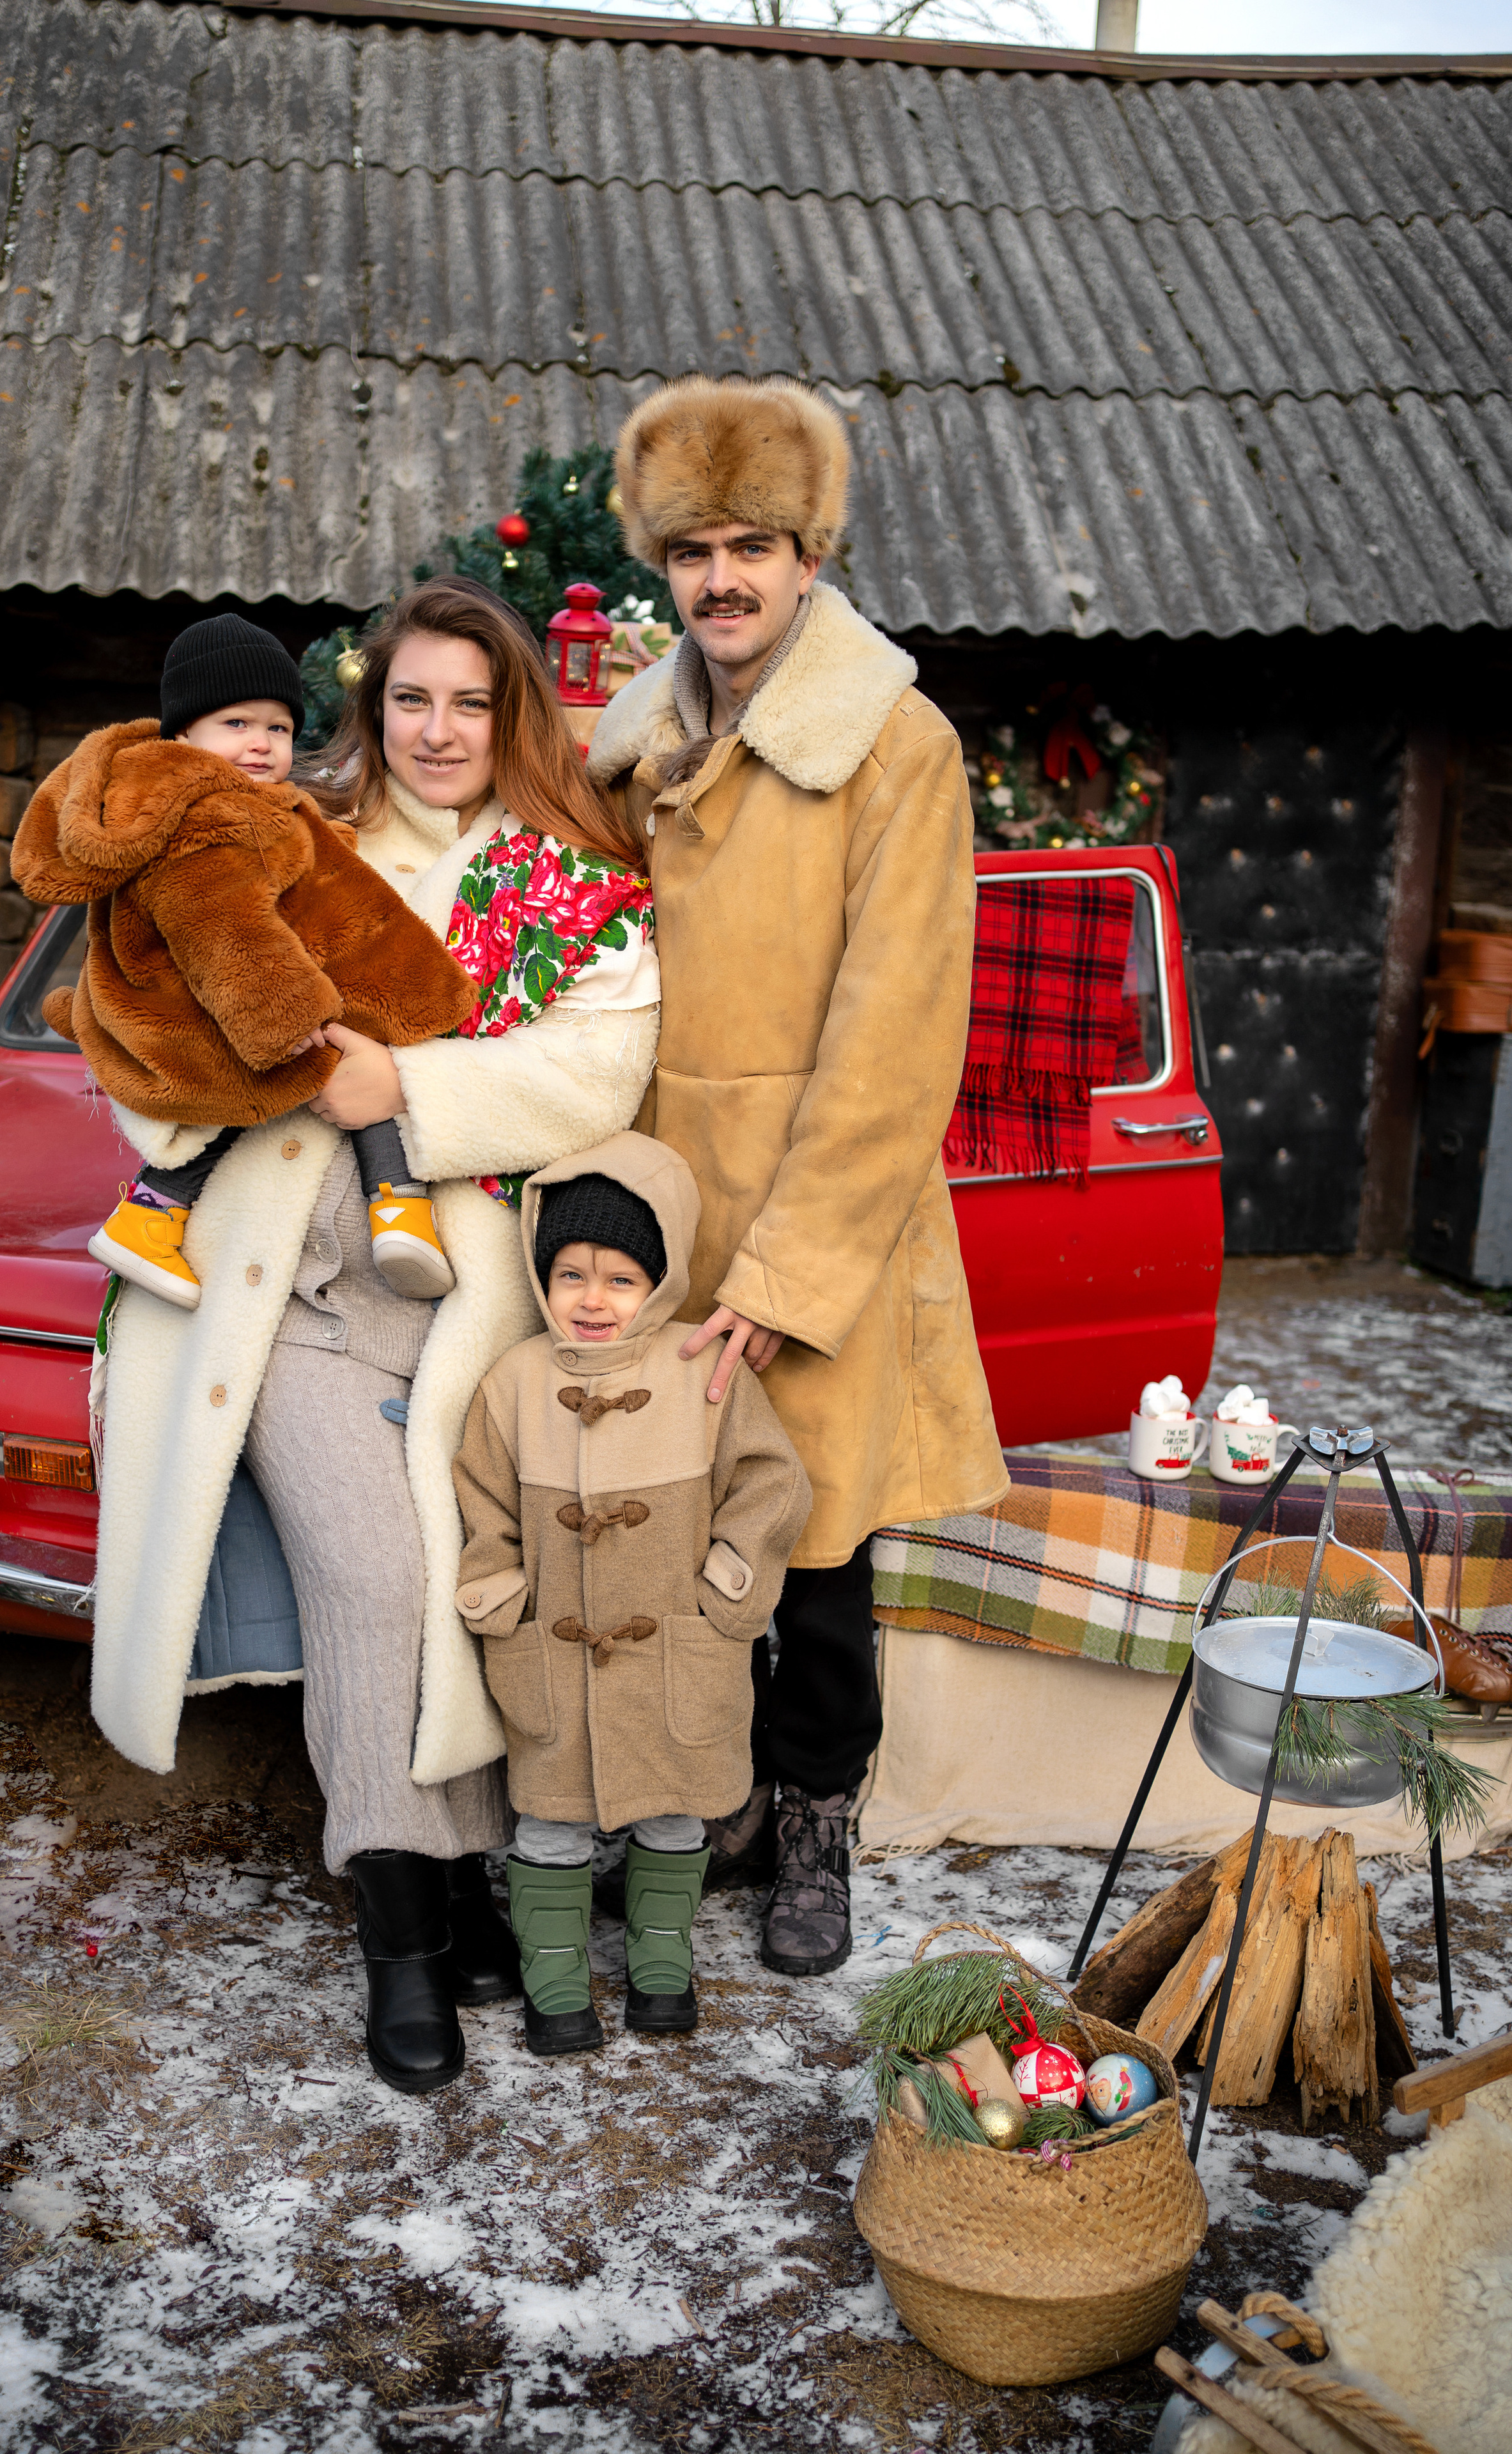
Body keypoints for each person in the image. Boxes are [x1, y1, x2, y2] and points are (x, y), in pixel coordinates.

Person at [85, 578, 660, 2095]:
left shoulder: (563, 876)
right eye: (413, 698)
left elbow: (603, 1061)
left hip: (474, 1310)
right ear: (372, 708)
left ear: (511, 712)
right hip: (290, 1304)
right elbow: (147, 1001)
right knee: (375, 1570)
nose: (440, 728)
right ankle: (399, 1930)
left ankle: (466, 1884)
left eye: (471, 700)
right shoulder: (283, 839)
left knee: (467, 1586)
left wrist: (399, 1086)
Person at [590, 375, 1010, 1980]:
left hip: (817, 1214)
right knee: (694, 1539)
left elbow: (898, 1036)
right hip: (664, 1210)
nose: (721, 577)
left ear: (808, 549)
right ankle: (723, 1799)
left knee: (820, 1553)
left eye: (753, 541)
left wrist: (783, 1271)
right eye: (691, 546)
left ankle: (817, 1808)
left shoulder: (893, 746)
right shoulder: (636, 745)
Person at [452, 1133, 810, 2055]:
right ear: (542, 1279)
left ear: (659, 1280)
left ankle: (661, 1961)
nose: (594, 1300)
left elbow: (772, 1487)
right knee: (550, 1823)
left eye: (620, 1279)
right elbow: (483, 1505)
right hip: (555, 1660)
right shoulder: (515, 1384)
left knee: (676, 1808)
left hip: (678, 1652)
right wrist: (500, 1600)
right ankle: (556, 1982)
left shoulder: (704, 1374)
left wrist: (726, 1590)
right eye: (571, 1275)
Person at [12, 612, 473, 1311]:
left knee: (335, 1067)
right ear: (183, 737)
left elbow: (284, 882)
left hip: (196, 1004)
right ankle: (390, 1206)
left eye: (278, 728)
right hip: (217, 1009)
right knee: (331, 1064)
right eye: (236, 725)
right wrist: (282, 1017)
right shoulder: (206, 814)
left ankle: (163, 1214)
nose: (261, 744)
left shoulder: (222, 804)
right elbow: (224, 929)